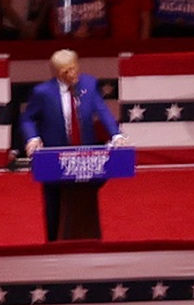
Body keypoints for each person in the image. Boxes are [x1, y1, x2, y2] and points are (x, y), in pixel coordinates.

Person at [8, 45, 121, 247]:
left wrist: (116, 134)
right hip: (54, 159)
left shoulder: (89, 84)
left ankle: (90, 242)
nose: (73, 74)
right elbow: (27, 119)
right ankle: (53, 245)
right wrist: (33, 138)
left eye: (75, 68)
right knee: (54, 207)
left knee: (85, 201)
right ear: (58, 74)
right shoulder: (43, 92)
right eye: (67, 71)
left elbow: (102, 111)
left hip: (86, 157)